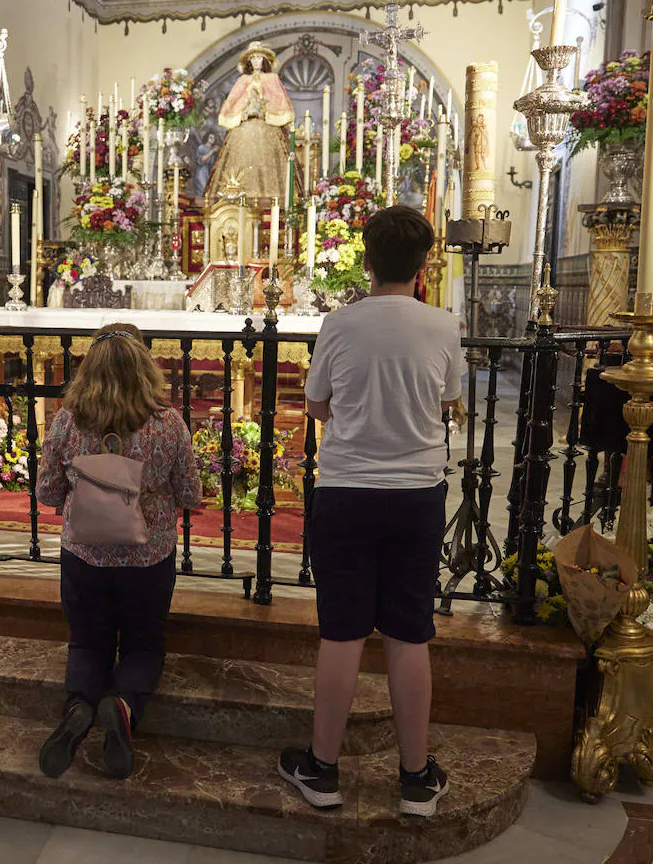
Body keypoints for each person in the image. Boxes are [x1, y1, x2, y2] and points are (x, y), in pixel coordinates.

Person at [278, 206, 461, 817]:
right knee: (410, 633)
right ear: (423, 264)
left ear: (366, 260)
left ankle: (323, 770)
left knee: (342, 632)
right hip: (416, 496)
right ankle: (415, 779)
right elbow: (448, 401)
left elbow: (317, 403)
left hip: (347, 491)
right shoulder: (443, 325)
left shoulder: (340, 322)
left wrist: (356, 421)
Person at [35, 323, 201, 780]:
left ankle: (77, 709)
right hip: (147, 558)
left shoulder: (68, 420)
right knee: (144, 644)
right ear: (146, 367)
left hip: (84, 554)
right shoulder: (168, 424)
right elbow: (189, 493)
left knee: (88, 641)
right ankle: (123, 705)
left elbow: (47, 491)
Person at [205, 40, 297, 202]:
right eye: (253, 58)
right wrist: (241, 113)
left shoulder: (272, 79)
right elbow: (232, 103)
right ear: (249, 61)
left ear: (264, 60)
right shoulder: (242, 81)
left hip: (267, 127)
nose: (256, 61)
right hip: (244, 129)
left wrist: (265, 110)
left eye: (259, 57)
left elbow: (279, 101)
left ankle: (271, 201)